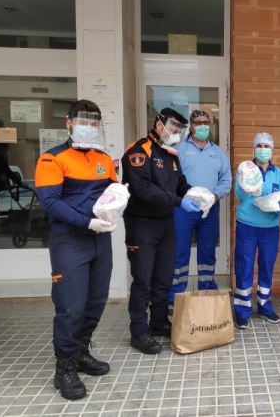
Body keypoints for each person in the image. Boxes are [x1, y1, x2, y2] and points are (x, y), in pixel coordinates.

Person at [35, 99, 117, 400]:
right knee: (71, 305)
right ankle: (64, 367)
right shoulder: (52, 158)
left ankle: (82, 351)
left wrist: (115, 208)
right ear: (68, 123)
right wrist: (87, 223)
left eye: (95, 123)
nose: (89, 127)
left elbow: (112, 192)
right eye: (84, 121)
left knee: (96, 300)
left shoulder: (103, 159)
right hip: (69, 239)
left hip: (100, 239)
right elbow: (51, 203)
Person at [122, 108, 200, 355]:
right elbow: (142, 188)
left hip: (166, 223)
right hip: (142, 223)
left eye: (180, 128)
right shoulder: (139, 150)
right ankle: (139, 331)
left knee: (164, 276)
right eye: (173, 126)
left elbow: (180, 184)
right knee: (143, 278)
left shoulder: (171, 155)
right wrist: (179, 202)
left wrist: (196, 194)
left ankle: (157, 322)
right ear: (158, 123)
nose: (176, 131)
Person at [168, 110, 231, 308]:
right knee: (179, 252)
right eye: (198, 122)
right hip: (184, 209)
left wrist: (214, 196)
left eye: (206, 122)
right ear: (191, 125)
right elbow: (170, 178)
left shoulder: (218, 152)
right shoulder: (179, 149)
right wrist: (180, 198)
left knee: (207, 251)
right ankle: (175, 299)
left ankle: (207, 295)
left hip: (209, 210)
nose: (203, 126)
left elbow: (226, 179)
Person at [233, 132, 280, 329]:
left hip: (270, 228)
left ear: (272, 149)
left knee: (267, 265)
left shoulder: (279, 174)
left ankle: (265, 307)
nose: (263, 150)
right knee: (244, 265)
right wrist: (248, 186)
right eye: (260, 146)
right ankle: (242, 310)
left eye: (267, 146)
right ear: (254, 148)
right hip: (247, 225)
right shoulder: (245, 169)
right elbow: (239, 193)